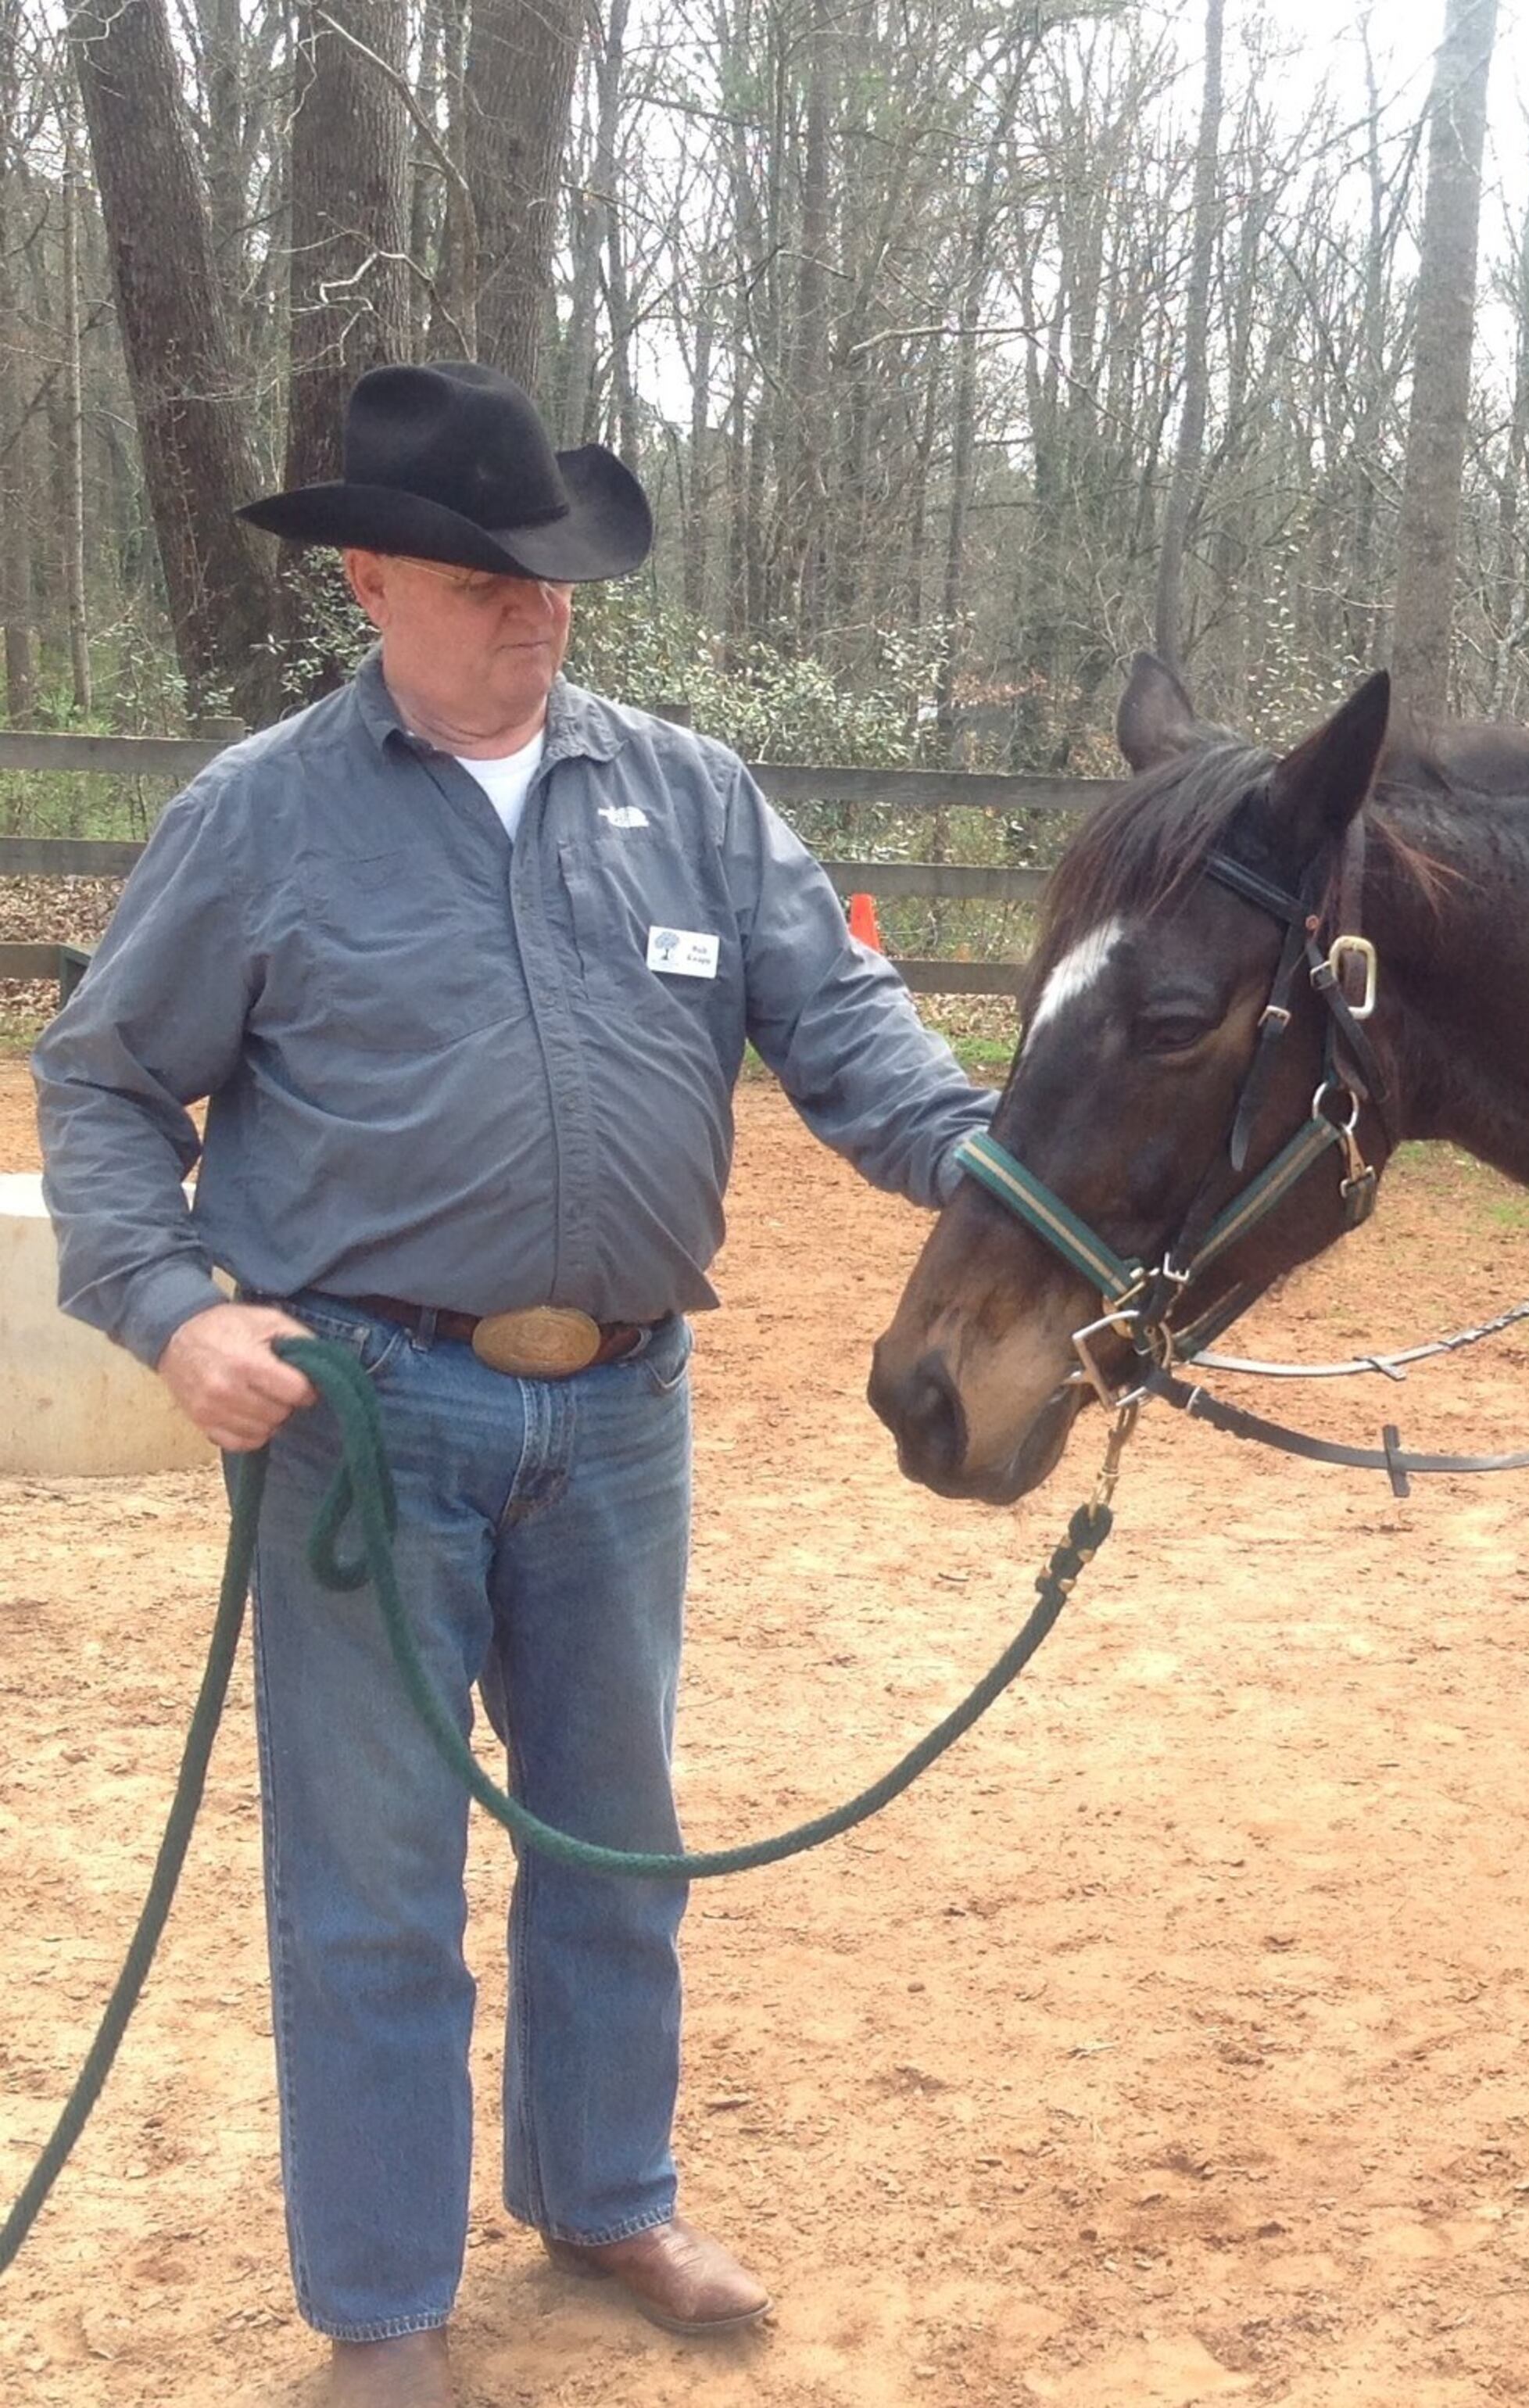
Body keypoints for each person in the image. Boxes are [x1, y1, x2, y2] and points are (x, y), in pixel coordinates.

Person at [33, 362, 998, 2407]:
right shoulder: (260, 818)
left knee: (613, 1841)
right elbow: (110, 1090)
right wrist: (171, 1305)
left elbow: (853, 1038)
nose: (532, 608)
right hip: (366, 1423)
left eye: (549, 574)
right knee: (375, 1886)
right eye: (483, 576)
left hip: (626, 1414)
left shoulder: (698, 798)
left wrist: (1024, 1176)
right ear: (371, 575)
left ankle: (601, 2191)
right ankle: (385, 2310)